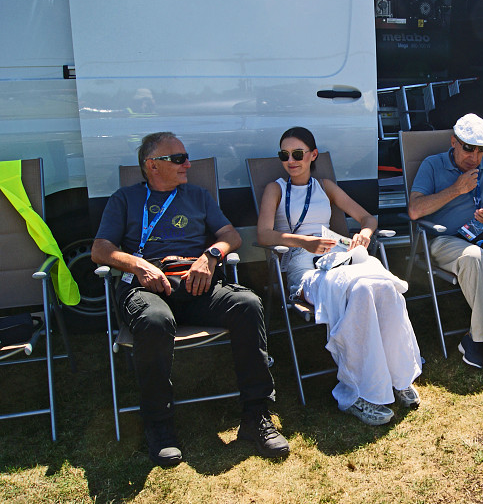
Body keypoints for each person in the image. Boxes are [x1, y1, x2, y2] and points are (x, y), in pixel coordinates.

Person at [91, 132, 289, 466]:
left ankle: (256, 416)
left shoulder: (197, 195)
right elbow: (100, 250)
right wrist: (138, 265)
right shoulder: (124, 198)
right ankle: (159, 425)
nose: (188, 164)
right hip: (148, 288)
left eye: (186, 157)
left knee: (248, 305)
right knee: (155, 320)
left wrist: (211, 255)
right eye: (179, 159)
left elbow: (230, 235)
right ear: (153, 165)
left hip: (194, 285)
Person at [256, 127, 422, 426]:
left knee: (383, 285)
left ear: (313, 155)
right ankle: (355, 392)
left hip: (338, 255)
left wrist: (364, 234)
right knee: (361, 291)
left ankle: (398, 376)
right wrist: (303, 241)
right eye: (284, 155)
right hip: (302, 263)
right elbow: (264, 235)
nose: (290, 161)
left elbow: (367, 218)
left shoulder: (326, 186)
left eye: (297, 154)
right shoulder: (275, 188)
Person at [408, 113, 483, 380]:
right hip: (447, 240)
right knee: (474, 256)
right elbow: (415, 210)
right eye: (468, 148)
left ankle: (477, 338)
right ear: (453, 141)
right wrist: (456, 189)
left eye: (480, 150)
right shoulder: (433, 165)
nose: (474, 157)